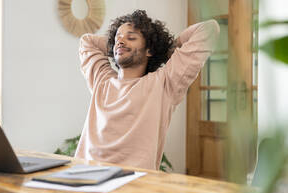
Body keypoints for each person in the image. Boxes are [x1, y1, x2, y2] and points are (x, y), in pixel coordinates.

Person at [74, 10, 220, 170]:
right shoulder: (101, 79)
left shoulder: (165, 83)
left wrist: (163, 50)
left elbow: (209, 29)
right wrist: (119, 46)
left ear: (149, 50)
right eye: (117, 37)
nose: (120, 41)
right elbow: (86, 41)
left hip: (133, 182)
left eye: (131, 37)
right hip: (85, 174)